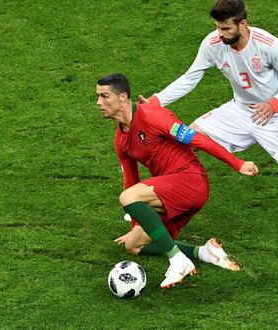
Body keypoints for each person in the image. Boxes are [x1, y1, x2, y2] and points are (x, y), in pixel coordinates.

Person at [140, 0, 278, 262]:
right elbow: (190, 77)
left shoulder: (267, 45)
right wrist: (156, 102)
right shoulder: (213, 44)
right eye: (217, 28)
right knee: (180, 141)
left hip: (276, 117)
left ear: (242, 25)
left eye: (224, 29)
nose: (218, 34)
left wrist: (274, 104)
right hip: (239, 112)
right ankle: (154, 208)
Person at [96, 73, 259, 288]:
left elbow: (197, 139)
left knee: (127, 197)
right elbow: (131, 180)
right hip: (172, 191)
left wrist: (237, 163)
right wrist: (137, 224)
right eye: (98, 97)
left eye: (105, 96)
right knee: (133, 245)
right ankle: (203, 252)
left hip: (190, 181)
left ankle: (178, 260)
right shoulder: (121, 140)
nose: (99, 103)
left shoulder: (153, 116)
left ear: (123, 98)